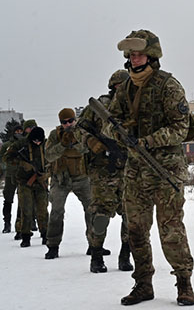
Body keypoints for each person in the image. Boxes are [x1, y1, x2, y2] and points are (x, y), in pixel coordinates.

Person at [106, 29, 194, 306]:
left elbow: (181, 128)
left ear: (152, 55)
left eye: (139, 54)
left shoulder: (168, 85)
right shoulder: (126, 89)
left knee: (170, 230)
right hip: (135, 173)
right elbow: (109, 123)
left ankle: (184, 283)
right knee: (135, 230)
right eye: (131, 55)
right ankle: (143, 283)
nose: (135, 59)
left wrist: (148, 141)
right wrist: (121, 133)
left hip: (164, 170)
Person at [79, 69, 133, 273]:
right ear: (113, 88)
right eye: (119, 87)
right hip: (103, 171)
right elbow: (79, 130)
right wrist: (91, 141)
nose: (122, 91)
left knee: (130, 214)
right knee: (101, 214)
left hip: (128, 168)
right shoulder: (99, 107)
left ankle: (125, 255)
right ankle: (96, 256)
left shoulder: (134, 107)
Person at [44, 108, 93, 260]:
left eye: (71, 121)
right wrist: (63, 144)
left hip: (82, 178)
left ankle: (95, 244)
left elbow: (89, 150)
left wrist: (75, 142)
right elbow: (49, 156)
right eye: (64, 122)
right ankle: (53, 245)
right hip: (61, 179)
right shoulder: (55, 135)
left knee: (92, 209)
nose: (68, 124)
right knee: (56, 212)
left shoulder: (83, 132)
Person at [3, 127, 49, 247]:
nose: (37, 143)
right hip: (24, 182)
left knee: (42, 209)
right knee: (26, 209)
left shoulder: (46, 145)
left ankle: (45, 234)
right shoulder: (21, 144)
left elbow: (54, 161)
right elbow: (7, 157)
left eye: (40, 141)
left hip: (40, 181)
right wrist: (22, 163)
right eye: (35, 141)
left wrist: (46, 174)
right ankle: (25, 236)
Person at [1, 124, 23, 234]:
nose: (18, 133)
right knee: (8, 199)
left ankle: (22, 223)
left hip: (22, 175)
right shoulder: (7, 145)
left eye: (20, 131)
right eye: (16, 131)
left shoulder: (24, 144)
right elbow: (2, 159)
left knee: (23, 200)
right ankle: (7, 223)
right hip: (10, 175)